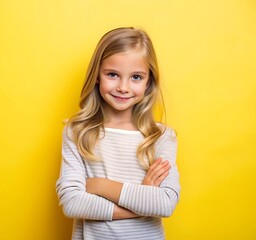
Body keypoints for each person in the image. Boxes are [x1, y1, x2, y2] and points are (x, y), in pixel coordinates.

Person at [56, 27, 180, 240]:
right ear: (97, 75)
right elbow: (72, 203)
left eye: (136, 77)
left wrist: (99, 185)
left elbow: (165, 203)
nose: (123, 87)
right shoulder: (77, 132)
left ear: (149, 81)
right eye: (113, 74)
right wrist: (142, 198)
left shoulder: (161, 137)